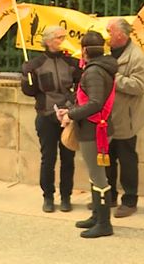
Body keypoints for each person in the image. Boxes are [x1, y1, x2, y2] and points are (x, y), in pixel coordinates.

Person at [58, 31, 118, 238]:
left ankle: (104, 223)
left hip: (94, 130)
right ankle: (96, 216)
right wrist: (71, 110)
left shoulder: (93, 72)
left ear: (84, 50)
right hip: (97, 127)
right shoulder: (101, 68)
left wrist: (71, 116)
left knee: (98, 176)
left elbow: (95, 103)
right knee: (95, 173)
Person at [21, 25, 82, 213]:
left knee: (68, 158)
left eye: (63, 36)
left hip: (67, 116)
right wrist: (26, 77)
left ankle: (66, 196)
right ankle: (48, 196)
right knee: (48, 158)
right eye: (58, 37)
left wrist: (70, 105)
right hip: (46, 116)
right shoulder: (36, 64)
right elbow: (29, 91)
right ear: (48, 41)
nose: (62, 39)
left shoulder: (71, 62)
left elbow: (80, 86)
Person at [105, 18, 144, 218]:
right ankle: (110, 196)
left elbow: (139, 87)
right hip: (107, 117)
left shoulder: (136, 56)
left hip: (126, 119)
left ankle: (130, 200)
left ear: (121, 35)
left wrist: (114, 78)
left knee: (127, 160)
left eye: (110, 32)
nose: (107, 36)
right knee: (107, 158)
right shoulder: (107, 52)